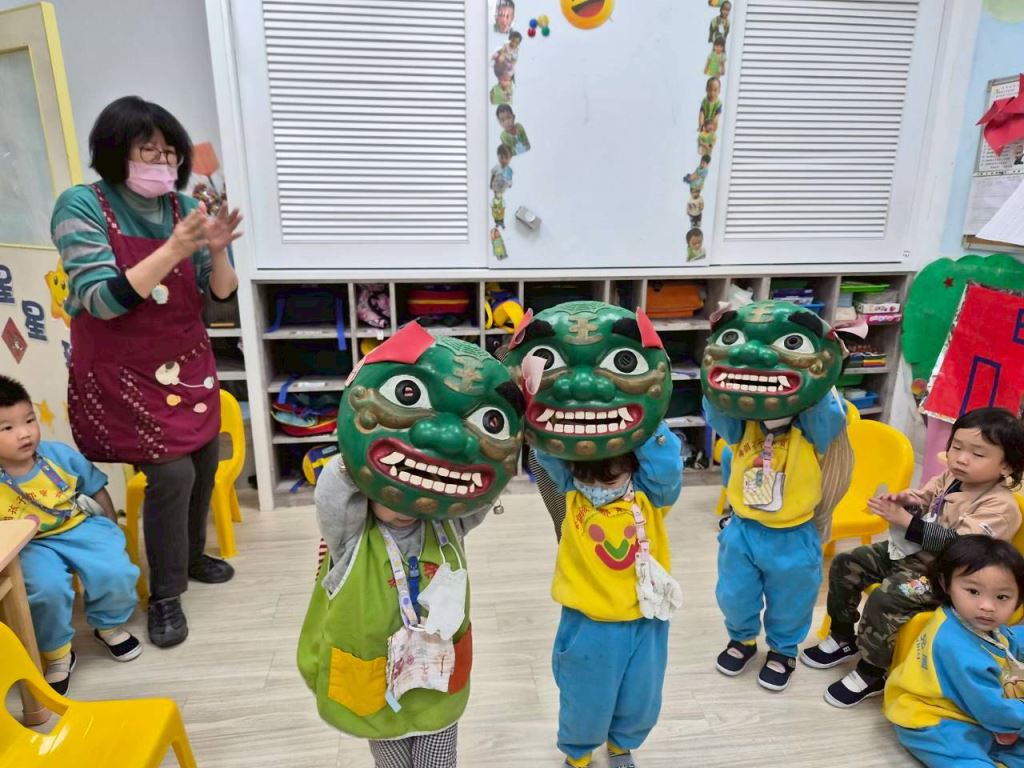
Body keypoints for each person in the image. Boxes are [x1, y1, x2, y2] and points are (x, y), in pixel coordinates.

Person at [50, 96, 243, 649]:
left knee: (204, 459)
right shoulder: (81, 205)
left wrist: (218, 253)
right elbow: (101, 300)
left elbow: (218, 300)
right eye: (149, 151)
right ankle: (164, 595)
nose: (163, 162)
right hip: (123, 372)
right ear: (116, 152)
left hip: (185, 363)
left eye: (170, 152)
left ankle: (190, 556)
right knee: (171, 474)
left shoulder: (185, 207)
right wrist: (174, 248)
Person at [801, 407, 1024, 708]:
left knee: (886, 598)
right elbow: (926, 496)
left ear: (1007, 465)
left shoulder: (1001, 506)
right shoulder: (951, 476)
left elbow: (962, 547)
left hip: (947, 576)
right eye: (956, 447)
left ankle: (872, 671)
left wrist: (907, 521)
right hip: (911, 553)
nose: (961, 458)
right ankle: (842, 637)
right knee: (846, 563)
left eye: (977, 453)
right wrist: (907, 499)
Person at [703, 302, 852, 692]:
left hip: (793, 533)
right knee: (735, 593)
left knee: (792, 599)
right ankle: (742, 639)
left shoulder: (813, 428)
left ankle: (784, 650)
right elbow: (716, 404)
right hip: (743, 529)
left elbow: (826, 405)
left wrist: (826, 358)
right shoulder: (743, 426)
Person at [534, 425, 683, 768]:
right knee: (584, 695)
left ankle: (621, 745)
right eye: (587, 479)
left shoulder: (651, 496)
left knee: (641, 694)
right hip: (589, 622)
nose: (597, 489)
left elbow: (666, 465)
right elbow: (546, 452)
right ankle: (578, 753)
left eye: (610, 480)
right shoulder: (572, 490)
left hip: (645, 619)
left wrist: (648, 424)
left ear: (633, 467)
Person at [0, 375, 141, 695]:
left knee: (115, 569)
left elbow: (96, 488)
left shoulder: (58, 456)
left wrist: (109, 524)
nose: (24, 433)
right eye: (7, 428)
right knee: (45, 589)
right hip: (31, 545)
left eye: (29, 420)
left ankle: (108, 625)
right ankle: (58, 653)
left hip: (79, 526)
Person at [885, 535, 1024, 767]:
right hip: (933, 718)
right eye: (973, 591)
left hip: (974, 709)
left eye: (1002, 597)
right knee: (962, 756)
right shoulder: (957, 649)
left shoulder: (971, 619)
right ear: (945, 583)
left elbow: (1010, 641)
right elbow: (992, 709)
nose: (987, 606)